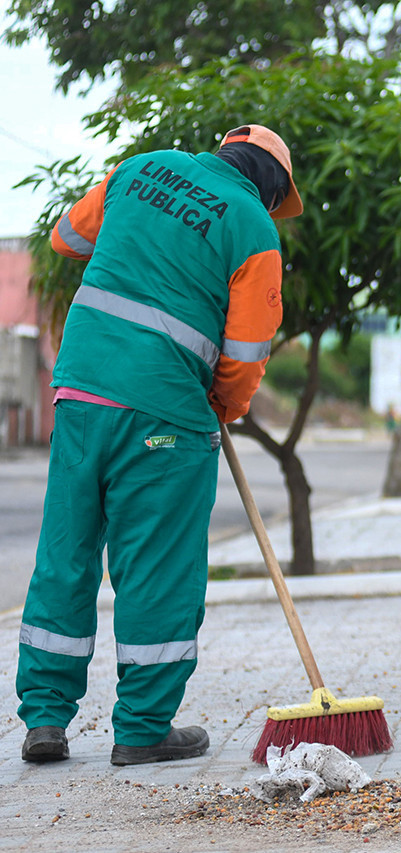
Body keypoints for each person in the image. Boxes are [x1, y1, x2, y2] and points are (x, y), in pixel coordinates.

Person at [17, 124, 303, 766]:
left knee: (66, 549)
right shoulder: (254, 229)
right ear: (271, 185)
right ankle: (142, 727)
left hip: (81, 386)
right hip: (165, 412)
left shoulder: (140, 167)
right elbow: (246, 351)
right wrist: (223, 408)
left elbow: (68, 238)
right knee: (157, 568)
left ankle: (43, 720)